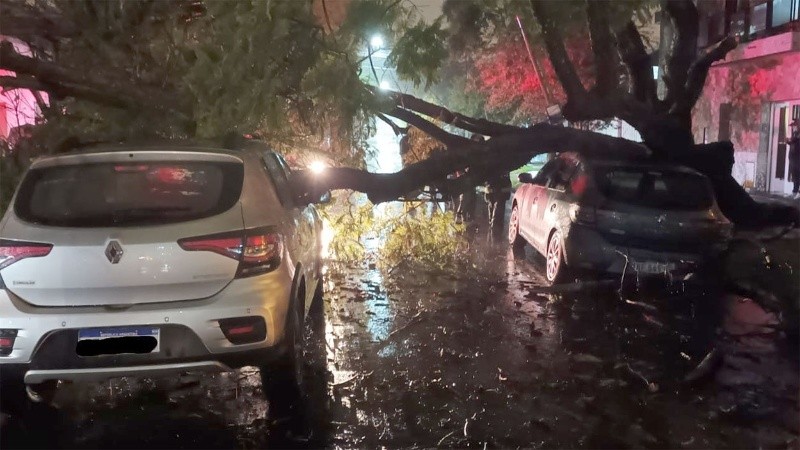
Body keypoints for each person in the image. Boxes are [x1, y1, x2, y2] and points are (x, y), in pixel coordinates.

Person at [789, 118, 800, 199]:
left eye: (795, 126)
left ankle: (798, 192)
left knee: (798, 174)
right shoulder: (795, 133)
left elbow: (796, 142)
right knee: (794, 175)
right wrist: (789, 142)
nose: (794, 128)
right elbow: (793, 143)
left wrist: (793, 140)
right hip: (793, 157)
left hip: (798, 157)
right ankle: (794, 191)